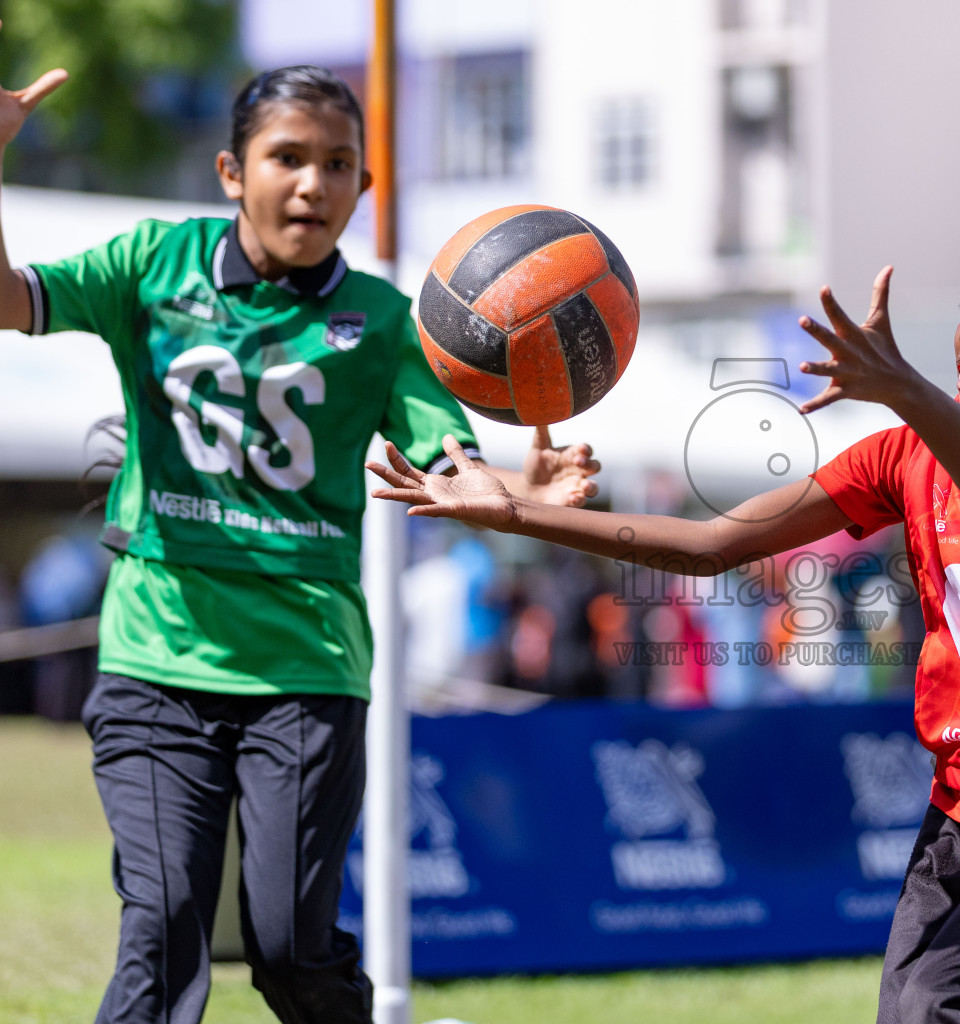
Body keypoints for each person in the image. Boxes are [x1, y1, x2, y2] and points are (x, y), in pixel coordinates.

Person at [370, 227, 960, 1023]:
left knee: (941, 1009)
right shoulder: (901, 456)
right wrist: (513, 511)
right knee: (916, 1016)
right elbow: (711, 544)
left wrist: (905, 390)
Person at [0, 62, 598, 1024]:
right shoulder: (150, 262)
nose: (313, 183)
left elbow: (444, 455)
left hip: (308, 675)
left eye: (339, 164)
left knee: (287, 948)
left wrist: (507, 485)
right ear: (233, 171)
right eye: (288, 157)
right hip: (156, 662)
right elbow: (5, 299)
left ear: (365, 188)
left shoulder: (386, 322)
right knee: (161, 931)